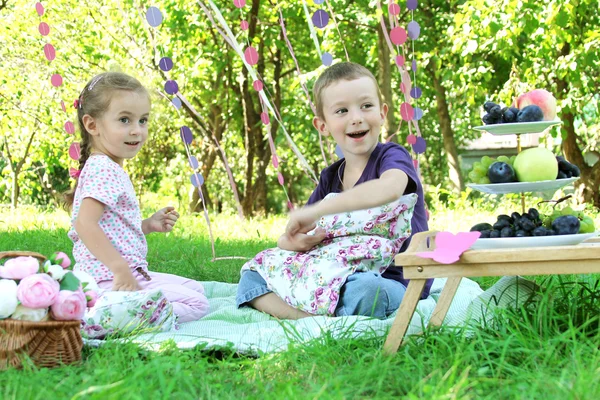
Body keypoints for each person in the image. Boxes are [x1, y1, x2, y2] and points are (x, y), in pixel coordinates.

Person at [236, 62, 431, 319]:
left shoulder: (391, 156)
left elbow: (389, 189)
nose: (356, 117)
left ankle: (323, 313)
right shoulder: (331, 176)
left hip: (394, 278)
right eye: (342, 110)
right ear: (323, 125)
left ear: (382, 113)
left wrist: (319, 209)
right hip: (337, 272)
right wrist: (292, 241)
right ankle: (311, 321)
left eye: (366, 106)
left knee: (366, 290)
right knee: (253, 274)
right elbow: (290, 239)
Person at [64, 72, 209, 323]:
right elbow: (84, 224)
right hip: (110, 277)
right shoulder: (104, 169)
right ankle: (108, 315)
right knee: (196, 304)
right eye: (124, 120)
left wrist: (147, 225)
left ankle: (118, 306)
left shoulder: (107, 166)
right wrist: (119, 269)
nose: (137, 131)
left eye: (143, 121)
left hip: (124, 271)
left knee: (196, 289)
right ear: (92, 125)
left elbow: (111, 226)